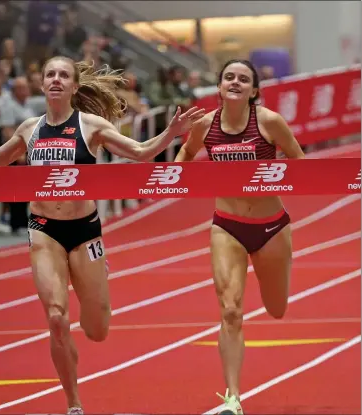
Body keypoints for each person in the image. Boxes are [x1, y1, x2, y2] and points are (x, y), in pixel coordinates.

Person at [0, 56, 205, 415]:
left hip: (84, 231)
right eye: (49, 74)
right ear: (41, 84)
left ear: (74, 86)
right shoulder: (29, 130)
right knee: (55, 317)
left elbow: (143, 154)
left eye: (63, 75)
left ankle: (98, 279)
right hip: (44, 230)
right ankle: (74, 405)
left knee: (97, 329)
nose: (55, 79)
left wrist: (171, 134)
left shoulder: (90, 125)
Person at [174, 59, 305, 415]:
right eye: (229, 77)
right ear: (219, 87)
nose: (235, 82)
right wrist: (179, 175)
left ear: (253, 90)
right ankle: (233, 398)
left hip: (271, 227)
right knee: (230, 311)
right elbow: (186, 152)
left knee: (276, 309)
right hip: (226, 225)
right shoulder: (205, 125)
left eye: (243, 79)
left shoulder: (269, 122)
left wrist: (272, 176)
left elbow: (299, 161)